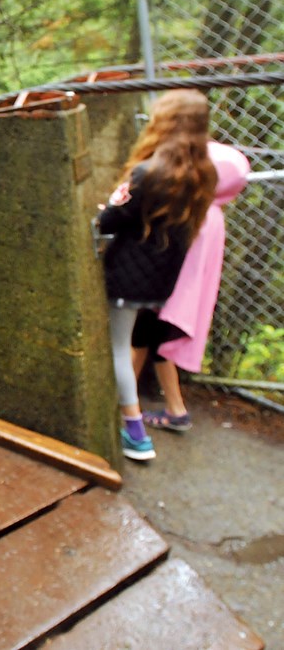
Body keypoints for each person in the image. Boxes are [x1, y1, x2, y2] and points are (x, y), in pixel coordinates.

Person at [98, 89, 218, 461]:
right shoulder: (203, 174)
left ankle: (135, 432)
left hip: (127, 277)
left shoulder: (147, 172)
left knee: (118, 347)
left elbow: (110, 220)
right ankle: (128, 415)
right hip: (162, 280)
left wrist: (111, 206)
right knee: (133, 343)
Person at [130, 141, 250, 430]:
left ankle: (122, 409)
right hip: (179, 300)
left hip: (167, 296)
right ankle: (175, 411)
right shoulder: (213, 212)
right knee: (157, 350)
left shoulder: (197, 215)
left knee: (140, 345)